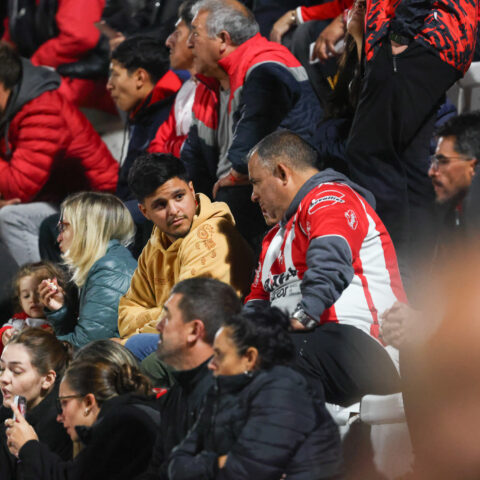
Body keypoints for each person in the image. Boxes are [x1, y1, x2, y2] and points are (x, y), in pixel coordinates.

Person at [245, 130, 406, 406]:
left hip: (363, 347)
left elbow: (330, 260)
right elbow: (257, 301)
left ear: (282, 173)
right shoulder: (272, 239)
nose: (252, 196)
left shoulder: (330, 198)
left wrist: (303, 316)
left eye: (256, 183)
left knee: (278, 357)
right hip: (306, 346)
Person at [344, 0, 478, 266]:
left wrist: (400, 34)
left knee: (369, 154)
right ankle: (416, 271)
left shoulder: (405, 36)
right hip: (437, 38)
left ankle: (390, 265)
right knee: (410, 164)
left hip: (419, 36)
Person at [181, 0, 323, 247]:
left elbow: (259, 124)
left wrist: (237, 173)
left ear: (223, 39)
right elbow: (193, 158)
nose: (189, 43)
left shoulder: (266, 64)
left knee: (220, 218)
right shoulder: (208, 87)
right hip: (236, 191)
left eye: (195, 34)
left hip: (279, 187)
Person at [168, 307, 343, 480]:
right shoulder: (219, 393)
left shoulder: (283, 392)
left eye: (219, 355)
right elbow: (176, 467)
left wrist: (208, 463)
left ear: (250, 358)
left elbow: (245, 472)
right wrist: (217, 463)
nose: (211, 364)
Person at [118, 153, 253, 358]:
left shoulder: (211, 235)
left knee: (125, 349)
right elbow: (126, 314)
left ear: (191, 190)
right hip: (171, 336)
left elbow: (190, 317)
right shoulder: (155, 245)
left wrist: (129, 339)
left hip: (215, 342)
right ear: (144, 212)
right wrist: (163, 314)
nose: (174, 210)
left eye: (179, 197)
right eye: (160, 205)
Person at [0, 43, 118, 266]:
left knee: (10, 219)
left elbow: (17, 186)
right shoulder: (12, 108)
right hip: (57, 198)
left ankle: (45, 285)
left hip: (97, 203)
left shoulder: (42, 109)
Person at [381, 112, 480, 350]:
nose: (432, 172)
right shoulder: (451, 211)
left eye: (443, 162)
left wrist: (428, 323)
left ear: (473, 166)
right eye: (433, 161)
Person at [135, 278, 242, 480]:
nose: (158, 326)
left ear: (194, 330)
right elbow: (159, 471)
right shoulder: (178, 393)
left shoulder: (230, 398)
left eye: (167, 318)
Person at [5, 352, 160, 480]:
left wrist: (29, 446)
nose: (59, 417)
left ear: (88, 402)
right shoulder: (130, 414)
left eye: (64, 403)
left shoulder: (125, 423)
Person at [39, 192, 137, 349]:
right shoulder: (106, 263)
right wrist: (60, 311)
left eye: (64, 227)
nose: (58, 238)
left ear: (87, 229)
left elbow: (87, 348)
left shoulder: (110, 269)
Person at [108, 36, 182, 209]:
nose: (109, 85)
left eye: (115, 74)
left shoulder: (170, 114)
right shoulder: (143, 112)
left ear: (140, 77)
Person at [0, 328, 72, 479]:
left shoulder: (63, 427)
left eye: (16, 371)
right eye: (2, 369)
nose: (3, 378)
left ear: (47, 379)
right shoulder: (8, 408)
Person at [148, 0, 199, 158]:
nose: (168, 41)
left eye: (177, 33)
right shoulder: (187, 87)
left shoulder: (217, 90)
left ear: (196, 38)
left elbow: (196, 148)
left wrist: (170, 147)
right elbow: (156, 145)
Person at [0, 261, 65, 354]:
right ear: (20, 301)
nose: (32, 300)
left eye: (39, 294)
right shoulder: (20, 320)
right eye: (26, 296)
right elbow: (7, 327)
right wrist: (4, 334)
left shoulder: (60, 321)